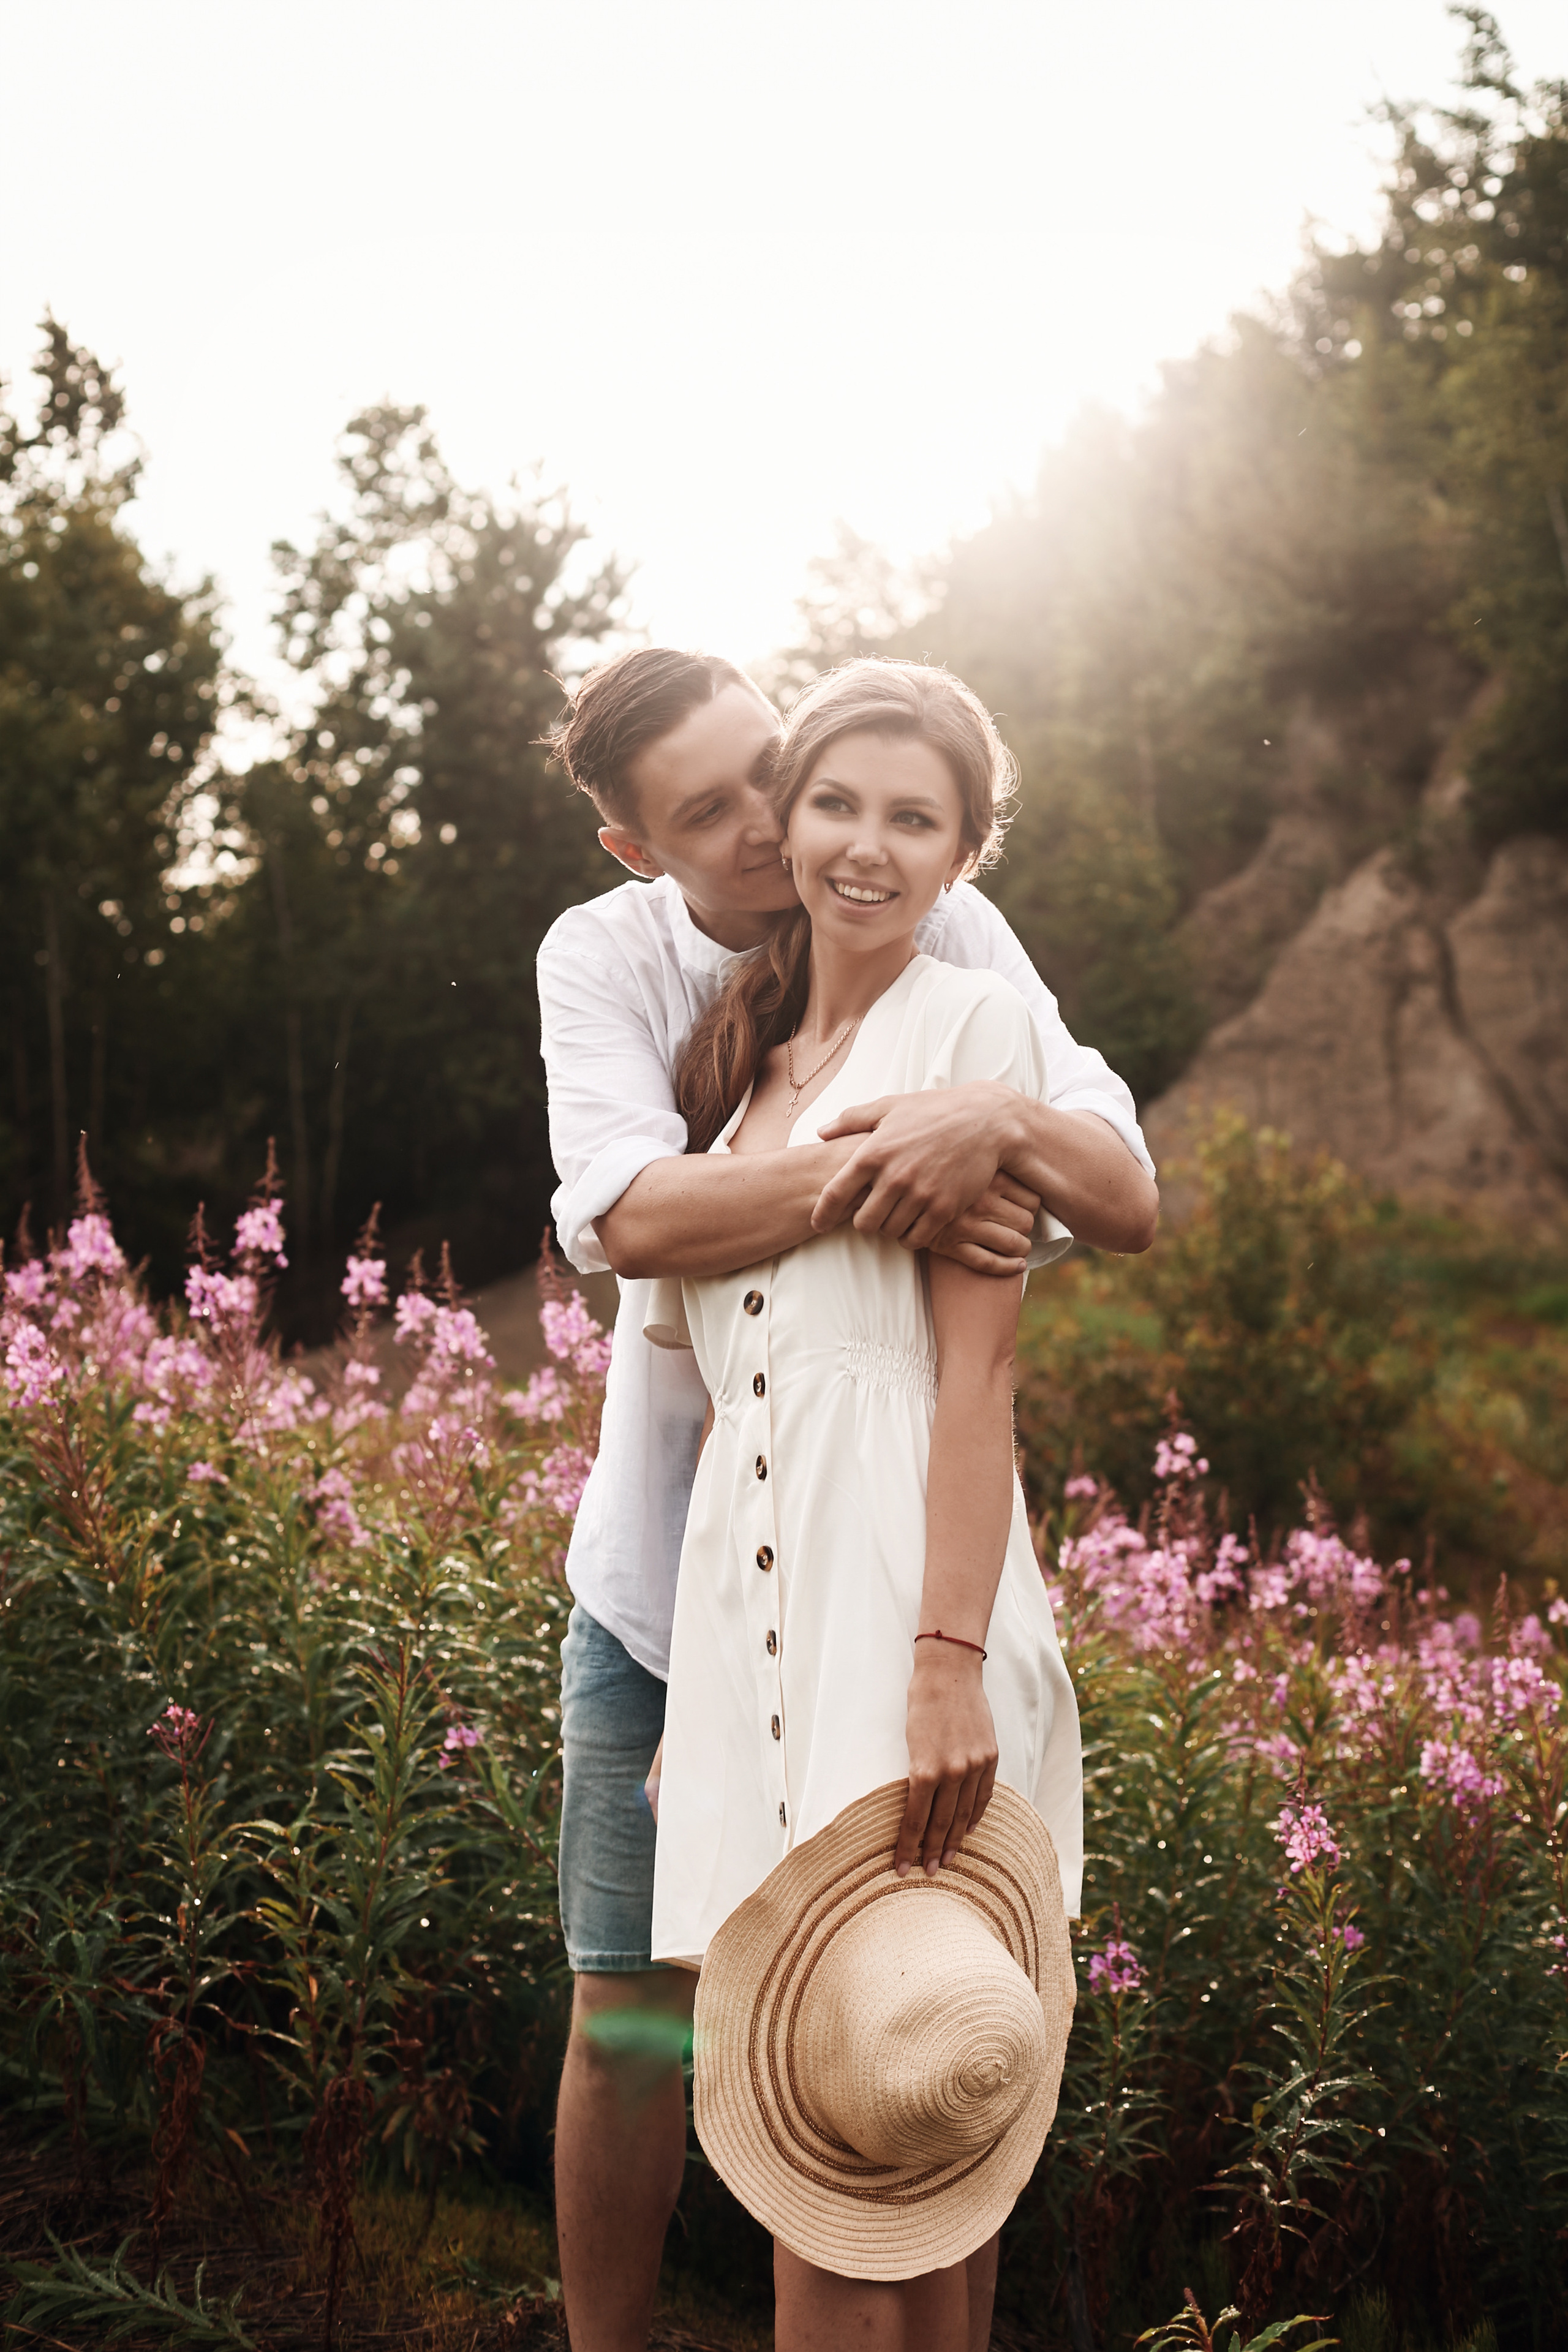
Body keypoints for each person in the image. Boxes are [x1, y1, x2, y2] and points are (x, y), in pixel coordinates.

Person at [535, 647, 1156, 2352]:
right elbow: (633, 1225)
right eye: (715, 810)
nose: (769, 829)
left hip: (885, 1595)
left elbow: (1112, 1193)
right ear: (632, 848)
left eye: (770, 774)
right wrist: (896, 1157)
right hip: (675, 1586)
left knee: (896, 2046)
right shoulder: (656, 994)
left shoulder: (949, 961)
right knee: (642, 2021)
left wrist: (991, 1110)